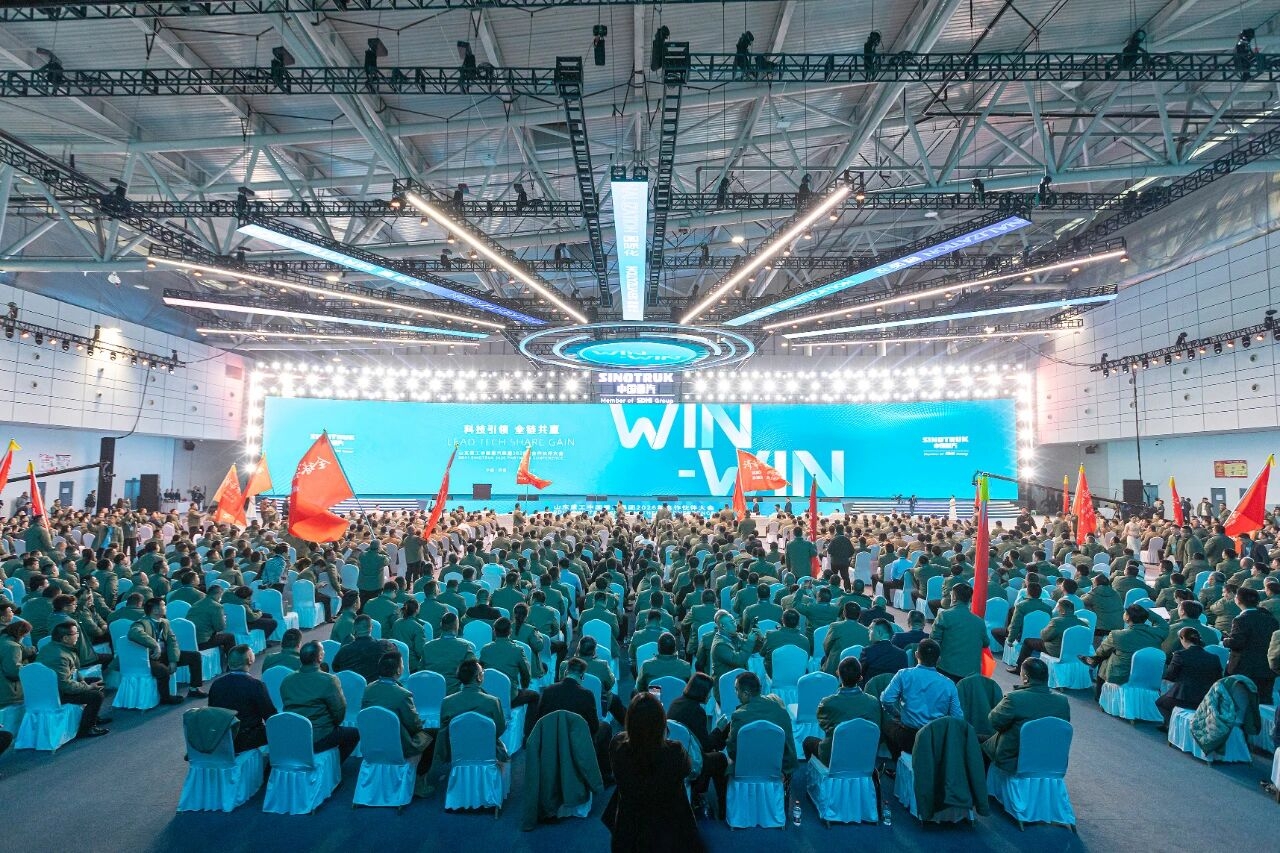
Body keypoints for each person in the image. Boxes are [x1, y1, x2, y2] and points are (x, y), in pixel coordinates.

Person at [603, 692, 704, 853]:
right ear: (661, 722)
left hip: (630, 823)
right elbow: (688, 771)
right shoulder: (675, 750)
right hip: (668, 822)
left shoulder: (618, 745)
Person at [981, 658, 1070, 771]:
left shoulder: (1014, 698)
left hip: (1014, 760)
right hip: (1048, 758)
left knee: (977, 743)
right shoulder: (1062, 702)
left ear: (1026, 678)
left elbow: (994, 722)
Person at [879, 639, 962, 759]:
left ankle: (898, 761)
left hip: (909, 738)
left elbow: (886, 700)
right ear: (938, 660)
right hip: (935, 739)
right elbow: (957, 717)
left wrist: (897, 714)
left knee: (887, 726)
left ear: (916, 655)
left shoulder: (904, 675)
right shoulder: (949, 684)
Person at [279, 641, 359, 764]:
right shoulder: (329, 680)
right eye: (323, 652)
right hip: (318, 737)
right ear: (320, 657)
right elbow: (339, 712)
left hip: (292, 734)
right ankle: (334, 766)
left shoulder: (287, 680)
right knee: (354, 733)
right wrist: (331, 725)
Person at [667, 673, 728, 818]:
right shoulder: (697, 711)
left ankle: (698, 794)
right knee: (720, 759)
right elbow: (706, 746)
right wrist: (720, 730)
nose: (710, 696)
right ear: (702, 692)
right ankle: (723, 809)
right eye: (709, 692)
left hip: (674, 757)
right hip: (690, 760)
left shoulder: (675, 703)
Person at [36, 621, 111, 738]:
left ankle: (92, 717)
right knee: (96, 695)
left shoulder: (49, 648)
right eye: (76, 633)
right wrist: (88, 687)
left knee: (96, 681)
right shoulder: (60, 656)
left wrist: (82, 681)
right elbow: (66, 686)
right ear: (65, 638)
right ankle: (87, 729)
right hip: (56, 694)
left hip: (53, 687)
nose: (78, 636)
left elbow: (73, 670)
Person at [362, 651, 431, 777]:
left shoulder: (368, 689)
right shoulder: (403, 694)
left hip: (373, 740)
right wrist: (421, 724)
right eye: (402, 664)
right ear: (399, 670)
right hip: (398, 744)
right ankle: (419, 779)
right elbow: (414, 726)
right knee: (430, 736)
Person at [803, 656, 881, 762]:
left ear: (838, 674)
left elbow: (823, 725)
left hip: (833, 756)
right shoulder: (873, 702)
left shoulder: (827, 703)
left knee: (808, 742)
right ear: (860, 678)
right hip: (863, 755)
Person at [128, 598, 206, 704]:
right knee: (163, 670)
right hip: (149, 658)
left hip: (164, 655)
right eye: (163, 605)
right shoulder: (142, 622)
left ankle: (194, 689)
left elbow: (172, 642)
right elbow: (133, 633)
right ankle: (165, 698)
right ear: (155, 610)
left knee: (195, 656)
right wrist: (155, 645)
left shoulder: (165, 622)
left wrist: (173, 660)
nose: (166, 607)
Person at [1083, 604, 1167, 700]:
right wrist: (1146, 612)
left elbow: (1101, 651)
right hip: (1148, 672)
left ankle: (1100, 696)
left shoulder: (1117, 635)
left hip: (1123, 675)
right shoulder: (1158, 633)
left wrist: (1097, 657)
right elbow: (1163, 623)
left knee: (1104, 659)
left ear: (1127, 617)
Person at [722, 671, 797, 778]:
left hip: (749, 770)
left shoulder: (739, 715)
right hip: (782, 767)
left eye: (736, 689)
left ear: (746, 693)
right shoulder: (777, 701)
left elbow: (732, 751)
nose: (736, 693)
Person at [206, 644, 275, 752]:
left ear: (229, 662)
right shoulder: (256, 685)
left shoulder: (216, 684)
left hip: (222, 737)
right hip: (246, 739)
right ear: (250, 661)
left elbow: (212, 712)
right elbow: (270, 716)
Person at [1155, 627, 1223, 731]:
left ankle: (1171, 726)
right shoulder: (1214, 658)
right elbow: (1218, 679)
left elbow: (1170, 675)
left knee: (1160, 703)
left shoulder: (1180, 654)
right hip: (1205, 698)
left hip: (1184, 698)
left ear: (1182, 638)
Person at [1222, 586, 1279, 703]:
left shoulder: (1241, 619)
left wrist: (1225, 640)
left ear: (1238, 600)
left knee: (1243, 702)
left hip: (1245, 668)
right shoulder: (1270, 619)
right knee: (1263, 702)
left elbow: (1237, 643)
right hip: (1266, 668)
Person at [931, 583, 986, 680]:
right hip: (972, 673)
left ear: (954, 597)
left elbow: (933, 641)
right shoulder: (980, 622)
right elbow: (986, 643)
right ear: (970, 599)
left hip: (946, 669)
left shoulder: (944, 616)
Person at [422, 611, 477, 694]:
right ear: (456, 626)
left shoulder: (427, 647)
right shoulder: (465, 647)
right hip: (454, 694)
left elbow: (421, 671)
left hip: (430, 693)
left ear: (441, 625)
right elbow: (473, 672)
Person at [332, 614, 397, 683]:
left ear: (354, 629)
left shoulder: (344, 650)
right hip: (376, 686)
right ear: (372, 627)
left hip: (351, 687)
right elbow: (396, 653)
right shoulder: (385, 645)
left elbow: (335, 668)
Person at [186, 584, 235, 663]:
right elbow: (219, 628)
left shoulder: (196, 604)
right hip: (202, 642)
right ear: (219, 594)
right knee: (230, 637)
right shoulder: (217, 606)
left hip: (190, 640)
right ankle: (233, 663)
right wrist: (223, 620)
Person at [860, 618, 908, 684]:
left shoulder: (867, 651)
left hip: (872, 689)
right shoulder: (902, 654)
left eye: (871, 629)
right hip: (894, 689)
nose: (868, 631)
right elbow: (904, 679)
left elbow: (860, 673)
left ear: (879, 633)